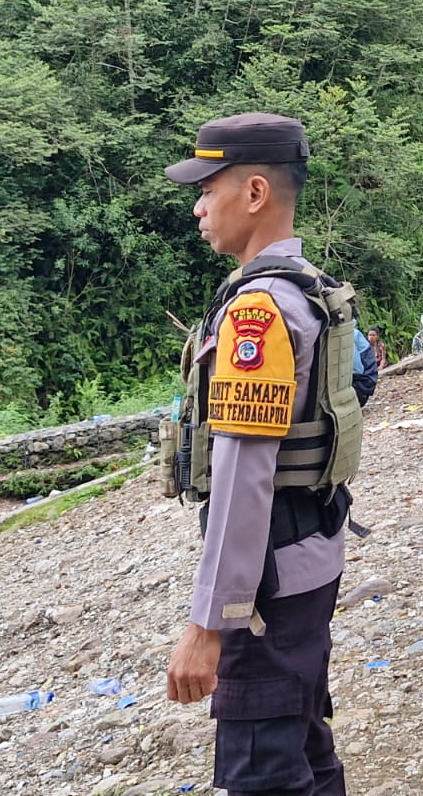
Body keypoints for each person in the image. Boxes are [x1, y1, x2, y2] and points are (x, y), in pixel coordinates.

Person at [163, 113, 347, 796]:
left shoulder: (258, 312)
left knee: (263, 773)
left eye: (208, 188)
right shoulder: (308, 284)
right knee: (303, 747)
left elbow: (244, 475)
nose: (198, 206)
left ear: (256, 192)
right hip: (309, 555)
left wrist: (211, 622)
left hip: (266, 584)